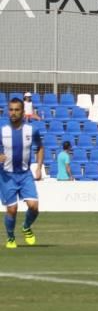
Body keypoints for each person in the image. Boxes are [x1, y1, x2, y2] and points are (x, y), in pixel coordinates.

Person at [0, 97, 45, 249]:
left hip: (25, 175)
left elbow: (40, 147)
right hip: (7, 176)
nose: (13, 112)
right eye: (11, 109)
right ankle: (11, 237)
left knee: (34, 206)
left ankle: (26, 227)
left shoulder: (32, 130)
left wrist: (39, 167)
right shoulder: (2, 130)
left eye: (17, 109)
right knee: (12, 210)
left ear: (23, 111)